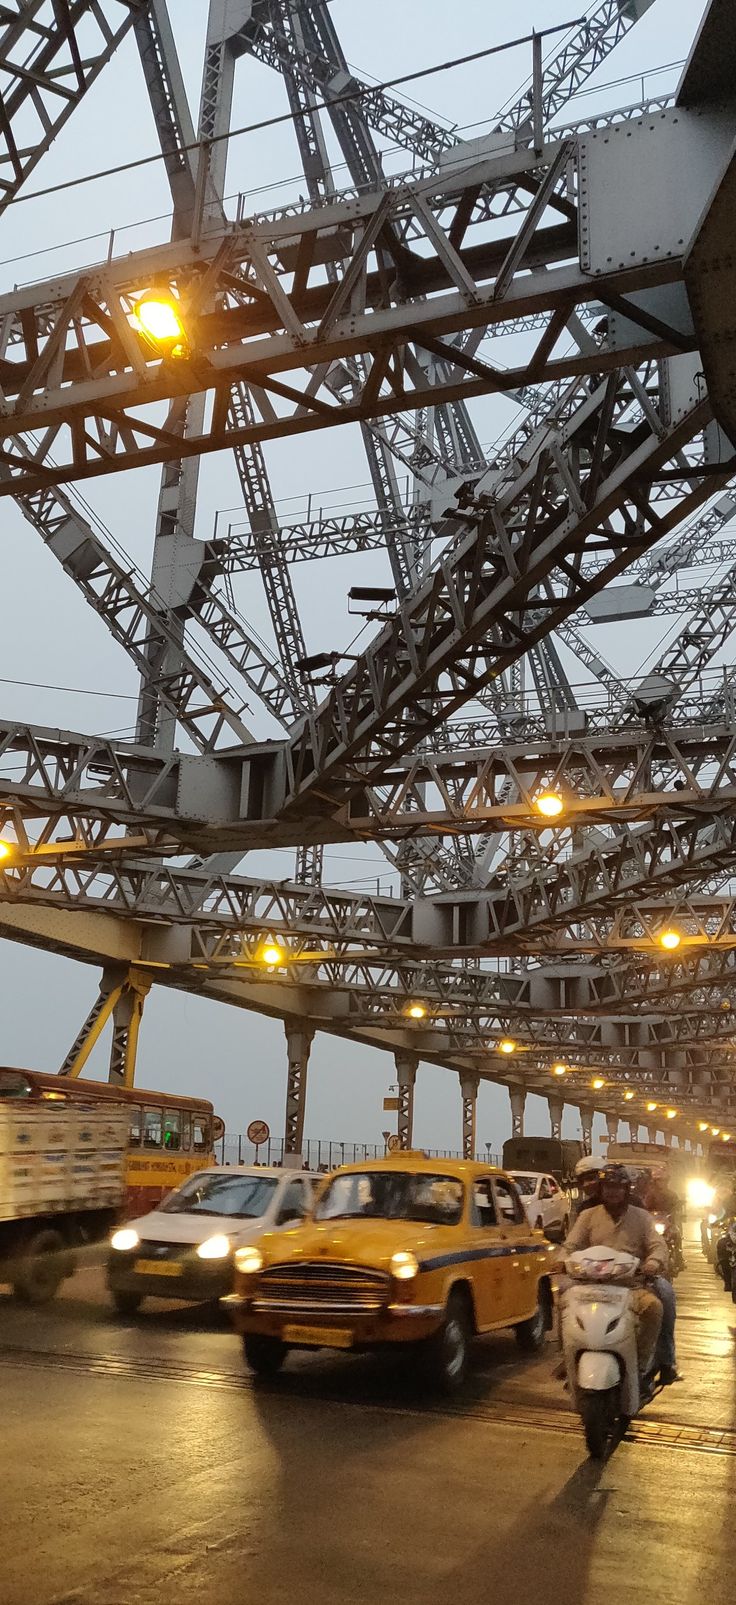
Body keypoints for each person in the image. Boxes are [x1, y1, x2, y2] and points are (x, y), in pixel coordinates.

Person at [557, 1163, 668, 1389]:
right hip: (590, 1285)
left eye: (618, 1187)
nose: (613, 1191)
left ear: (627, 1190)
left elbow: (658, 1246)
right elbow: (571, 1245)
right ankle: (568, 1359)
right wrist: (561, 1260)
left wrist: (653, 1262)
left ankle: (640, 1364)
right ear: (601, 1189)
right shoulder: (588, 1215)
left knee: (654, 1308)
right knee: (563, 1302)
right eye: (608, 1187)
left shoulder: (642, 1217)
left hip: (630, 1286)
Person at [571, 1154, 606, 1219]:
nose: (585, 1184)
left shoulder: (621, 1206)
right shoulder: (583, 1209)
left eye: (590, 1178)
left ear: (603, 1177)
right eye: (581, 1181)